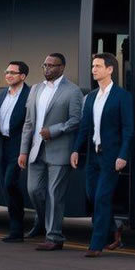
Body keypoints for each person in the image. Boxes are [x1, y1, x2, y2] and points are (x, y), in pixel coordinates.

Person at [71, 53, 134, 258]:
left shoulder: (122, 97)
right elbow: (84, 127)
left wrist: (123, 155)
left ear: (110, 69)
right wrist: (75, 150)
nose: (93, 69)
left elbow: (128, 130)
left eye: (98, 66)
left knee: (102, 198)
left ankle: (96, 245)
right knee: (92, 195)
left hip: (111, 157)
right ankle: (115, 228)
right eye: (93, 66)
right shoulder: (90, 97)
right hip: (92, 156)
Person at [18, 53, 83, 250]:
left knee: (55, 194)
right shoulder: (36, 89)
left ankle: (54, 237)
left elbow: (76, 120)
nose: (47, 69)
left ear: (62, 68)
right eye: (45, 65)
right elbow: (28, 122)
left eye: (52, 66)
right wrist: (23, 151)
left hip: (59, 151)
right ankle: (43, 220)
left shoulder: (73, 91)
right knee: (34, 190)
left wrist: (53, 131)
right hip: (36, 150)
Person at [0, 61, 30, 242]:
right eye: (7, 72)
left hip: (18, 147)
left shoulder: (29, 95)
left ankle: (18, 228)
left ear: (23, 76)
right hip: (3, 146)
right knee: (5, 186)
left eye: (13, 72)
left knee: (11, 183)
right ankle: (15, 229)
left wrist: (25, 150)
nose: (8, 75)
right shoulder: (3, 95)